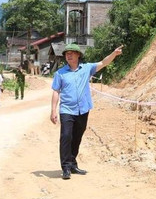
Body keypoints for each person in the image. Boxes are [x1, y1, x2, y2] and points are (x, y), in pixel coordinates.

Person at [50, 43, 122, 180]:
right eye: (67, 53)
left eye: (72, 53)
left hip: (82, 109)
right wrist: (53, 110)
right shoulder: (60, 73)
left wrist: (114, 54)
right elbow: (56, 91)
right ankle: (65, 167)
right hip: (67, 109)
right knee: (66, 136)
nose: (69, 55)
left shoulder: (87, 69)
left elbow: (103, 62)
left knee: (77, 137)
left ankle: (72, 163)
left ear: (78, 55)